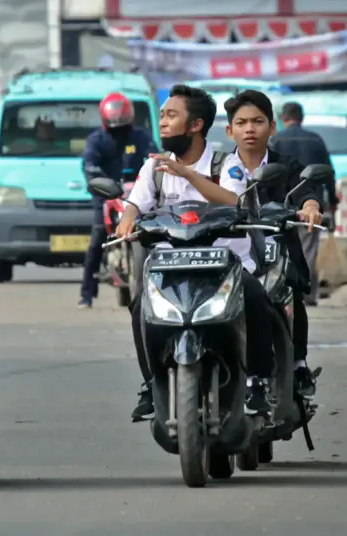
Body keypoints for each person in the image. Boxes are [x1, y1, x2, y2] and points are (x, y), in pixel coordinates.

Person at [119, 85, 284, 421]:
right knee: (140, 306)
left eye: (170, 115)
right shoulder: (155, 167)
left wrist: (188, 175)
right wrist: (127, 222)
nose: (162, 123)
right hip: (170, 265)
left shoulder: (227, 163)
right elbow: (134, 204)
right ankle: (151, 384)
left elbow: (234, 201)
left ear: (195, 125)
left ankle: (257, 382)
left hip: (224, 265)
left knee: (255, 296)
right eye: (162, 116)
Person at [149, 90, 322, 405]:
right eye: (241, 123)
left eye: (257, 121)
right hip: (229, 252)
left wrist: (310, 206)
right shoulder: (222, 165)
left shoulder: (287, 165)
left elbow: (306, 192)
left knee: (288, 290)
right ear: (229, 131)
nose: (250, 129)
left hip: (274, 246)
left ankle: (296, 363)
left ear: (272, 127)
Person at [79, 92, 158, 308]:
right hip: (106, 194)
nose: (119, 132)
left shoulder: (140, 136)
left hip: (135, 193)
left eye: (122, 127)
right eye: (115, 128)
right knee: (97, 240)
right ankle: (87, 293)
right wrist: (101, 183)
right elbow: (89, 166)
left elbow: (154, 157)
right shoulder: (96, 140)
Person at [272, 102, 337, 306]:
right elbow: (328, 171)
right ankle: (306, 294)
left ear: (283, 118)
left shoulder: (276, 140)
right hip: (311, 204)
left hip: (281, 204)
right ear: (302, 117)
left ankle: (280, 290)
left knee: (278, 247)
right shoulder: (315, 139)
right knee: (308, 249)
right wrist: (332, 199)